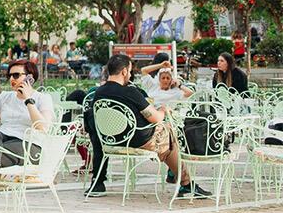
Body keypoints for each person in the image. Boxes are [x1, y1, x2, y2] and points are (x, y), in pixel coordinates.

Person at [87, 54, 209, 198]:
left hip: (110, 141)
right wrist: (163, 110)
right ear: (124, 71)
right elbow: (155, 118)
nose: (130, 75)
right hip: (137, 140)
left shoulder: (99, 92)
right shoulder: (130, 91)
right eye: (130, 71)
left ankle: (98, 182)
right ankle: (186, 183)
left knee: (166, 135)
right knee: (169, 131)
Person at [0, 59, 55, 213]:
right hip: (1, 141)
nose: (12, 79)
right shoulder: (5, 97)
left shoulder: (42, 98)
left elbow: (43, 127)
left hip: (29, 145)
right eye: (9, 75)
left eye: (17, 75)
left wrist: (28, 100)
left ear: (30, 78)